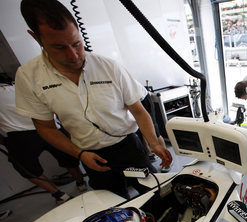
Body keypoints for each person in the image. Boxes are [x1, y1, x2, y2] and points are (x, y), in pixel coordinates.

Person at [15, 0, 172, 199]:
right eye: (59, 47)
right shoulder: (29, 76)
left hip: (128, 147)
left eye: (76, 44)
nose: (73, 55)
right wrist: (79, 155)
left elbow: (138, 110)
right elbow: (45, 127)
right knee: (111, 204)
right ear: (36, 38)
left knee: (155, 194)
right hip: (88, 154)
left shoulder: (107, 66)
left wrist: (154, 142)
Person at [1, 76, 86, 205]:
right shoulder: (25, 85)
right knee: (68, 155)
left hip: (20, 136)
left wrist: (6, 142)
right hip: (49, 126)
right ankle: (81, 183)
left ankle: (59, 195)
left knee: (27, 169)